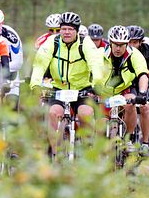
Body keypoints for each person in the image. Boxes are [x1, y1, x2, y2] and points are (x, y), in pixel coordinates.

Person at [30, 11, 105, 159]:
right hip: (59, 89)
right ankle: (56, 155)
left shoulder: (85, 43)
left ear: (77, 31)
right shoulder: (53, 42)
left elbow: (95, 64)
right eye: (63, 28)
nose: (66, 32)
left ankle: (87, 148)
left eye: (70, 29)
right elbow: (39, 64)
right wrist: (35, 85)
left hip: (82, 89)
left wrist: (97, 84)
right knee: (53, 113)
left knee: (86, 114)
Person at [97, 26, 149, 156]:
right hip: (105, 92)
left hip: (124, 89)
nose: (118, 48)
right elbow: (91, 73)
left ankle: (128, 139)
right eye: (115, 44)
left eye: (122, 45)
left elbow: (142, 74)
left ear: (127, 43)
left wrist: (142, 93)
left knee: (130, 104)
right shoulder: (99, 54)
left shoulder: (134, 54)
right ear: (110, 42)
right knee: (101, 126)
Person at [128, 25, 149, 151]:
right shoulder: (121, 49)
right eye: (129, 42)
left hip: (142, 83)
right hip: (127, 84)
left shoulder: (147, 50)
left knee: (145, 107)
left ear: (141, 42)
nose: (131, 45)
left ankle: (145, 143)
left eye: (135, 42)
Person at [0, 7, 24, 106]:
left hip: (10, 74)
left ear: (2, 23)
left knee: (12, 105)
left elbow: (18, 63)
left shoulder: (11, 36)